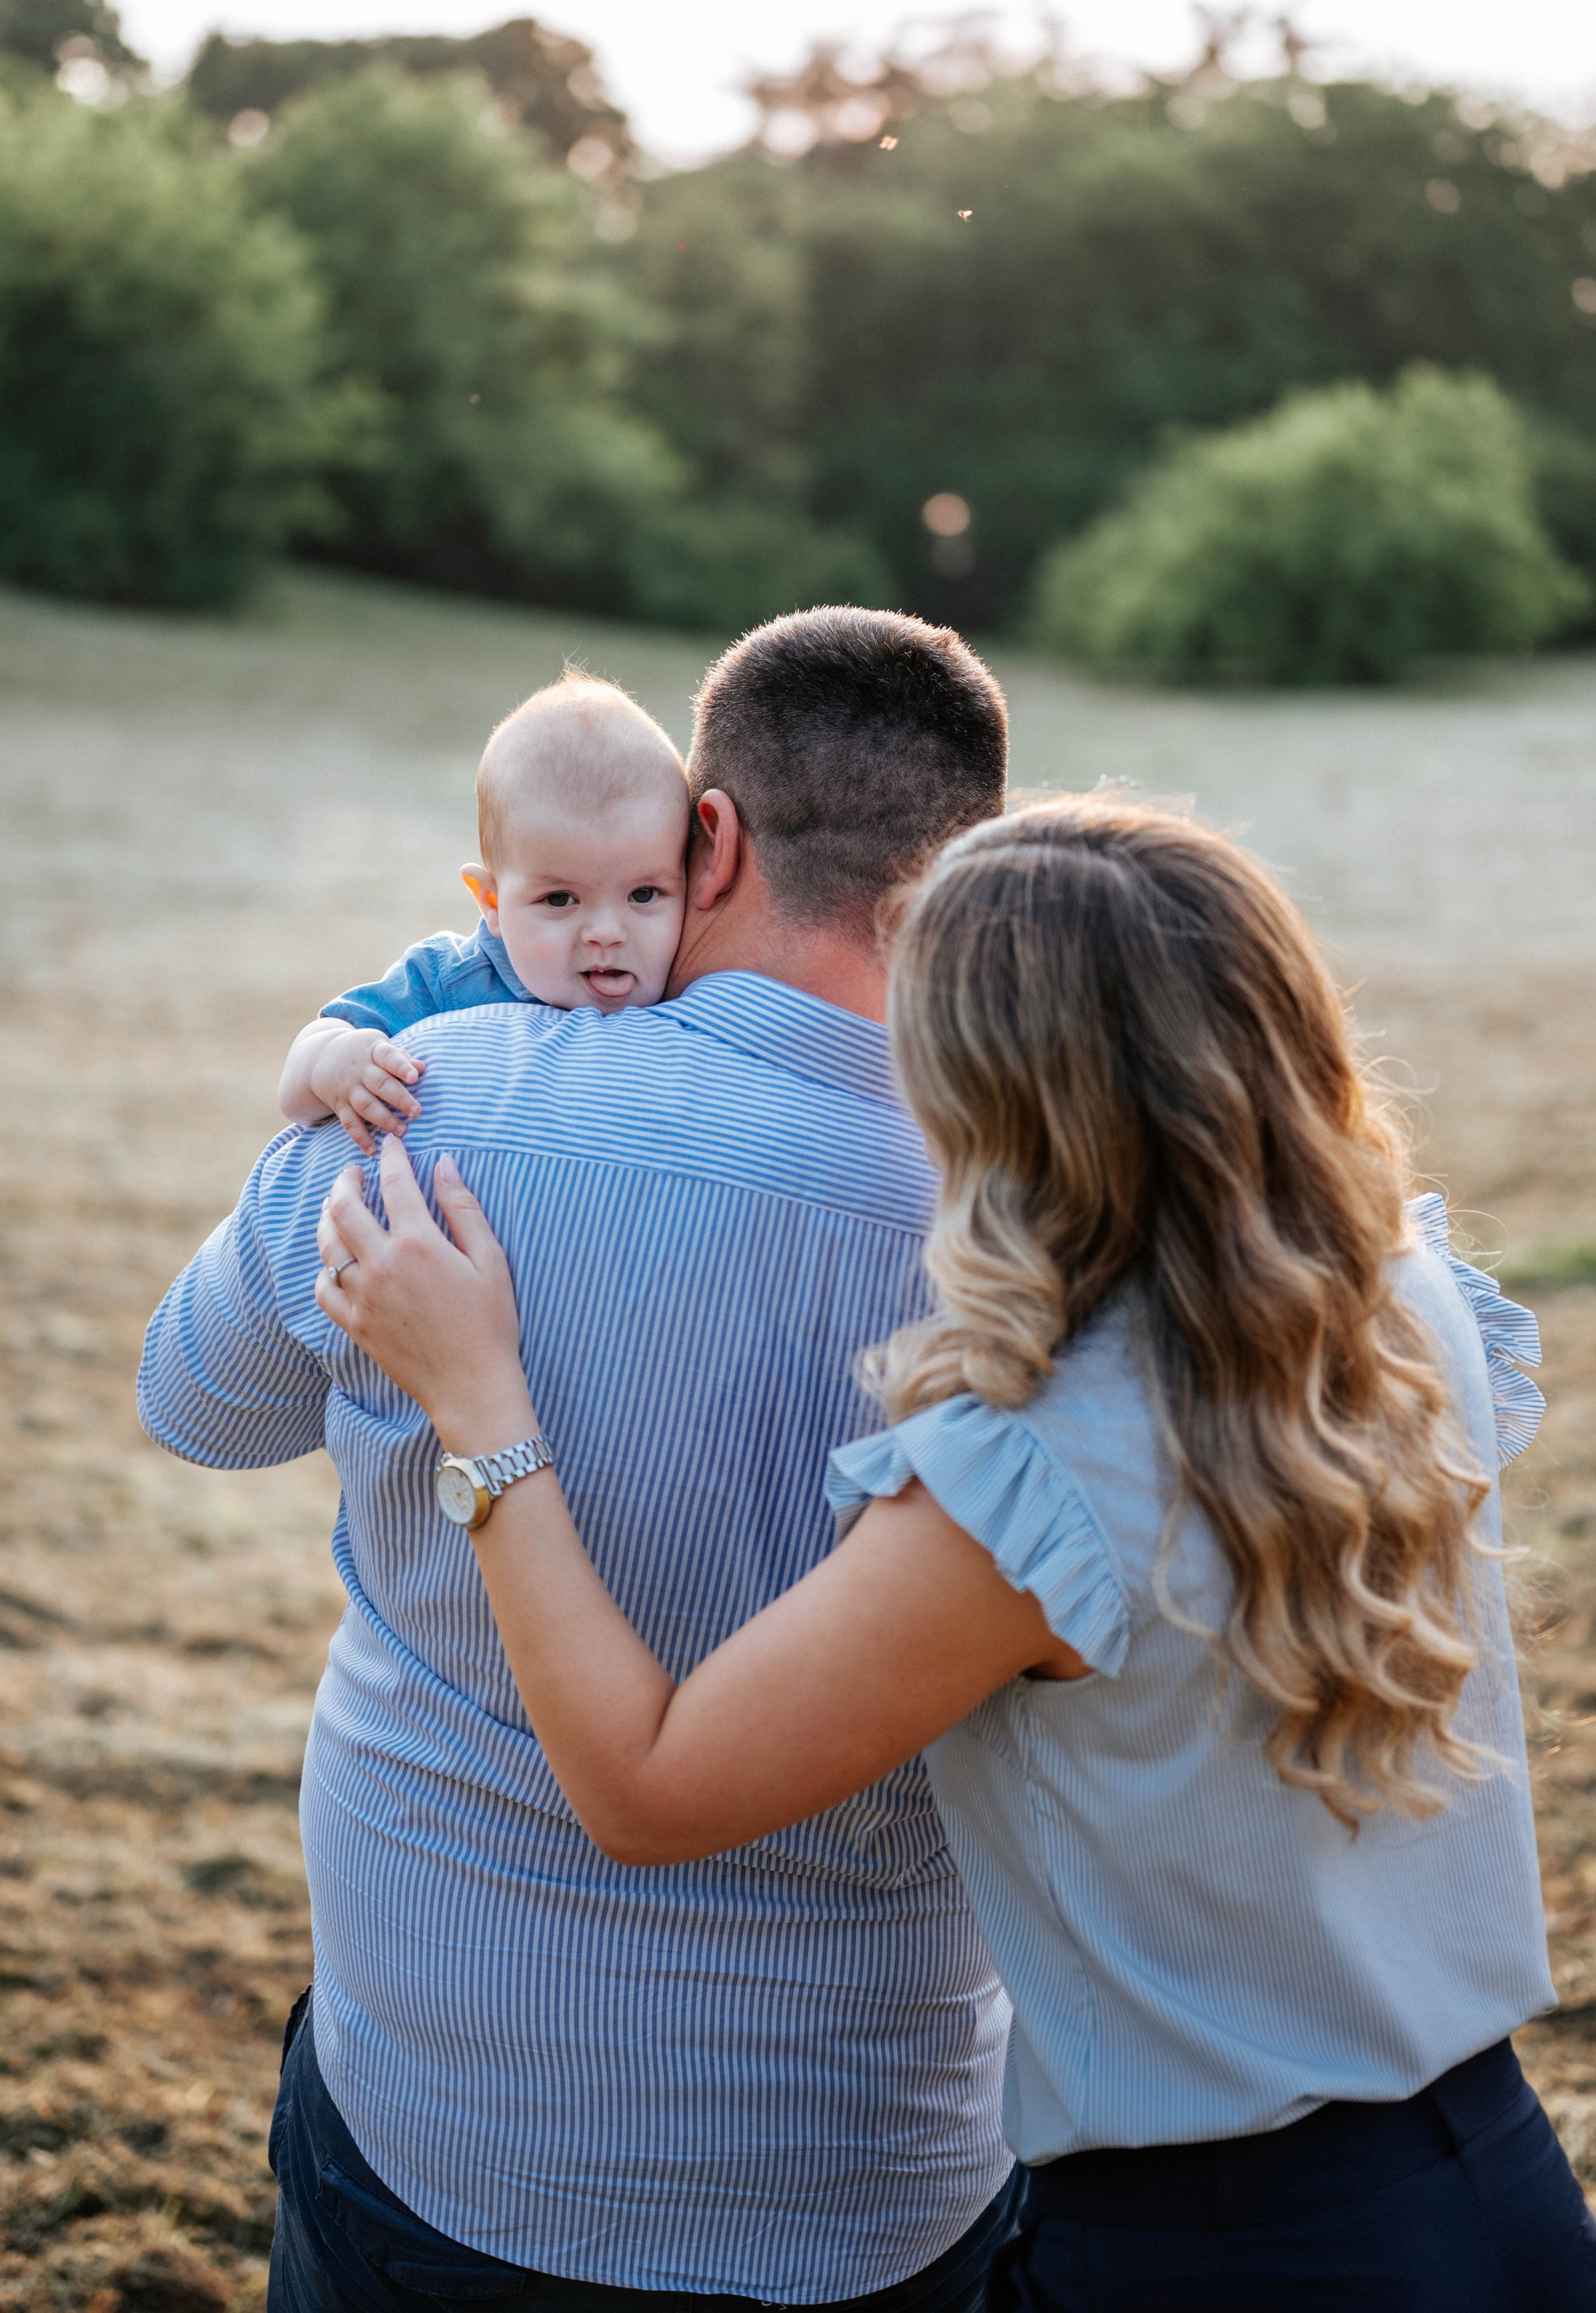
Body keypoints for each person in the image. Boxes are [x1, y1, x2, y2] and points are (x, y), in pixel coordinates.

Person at [315, 797, 1596, 2313]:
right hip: (1499, 2193)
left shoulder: (1038, 1477)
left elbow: (646, 1785)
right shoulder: (1391, 1301)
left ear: (995, 1099)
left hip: (1218, 2254)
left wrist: (477, 1398)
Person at [137, 608, 1020, 2313]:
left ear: (708, 837)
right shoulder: (1033, 1205)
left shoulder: (427, 1103)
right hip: (868, 2163)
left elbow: (198, 1400)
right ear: (971, 861)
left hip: (445, 2114)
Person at [278, 670, 692, 1152]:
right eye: (560, 899)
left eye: (644, 894)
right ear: (491, 901)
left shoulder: (686, 980)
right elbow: (297, 1091)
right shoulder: (451, 980)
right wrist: (335, 1058)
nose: (606, 932)